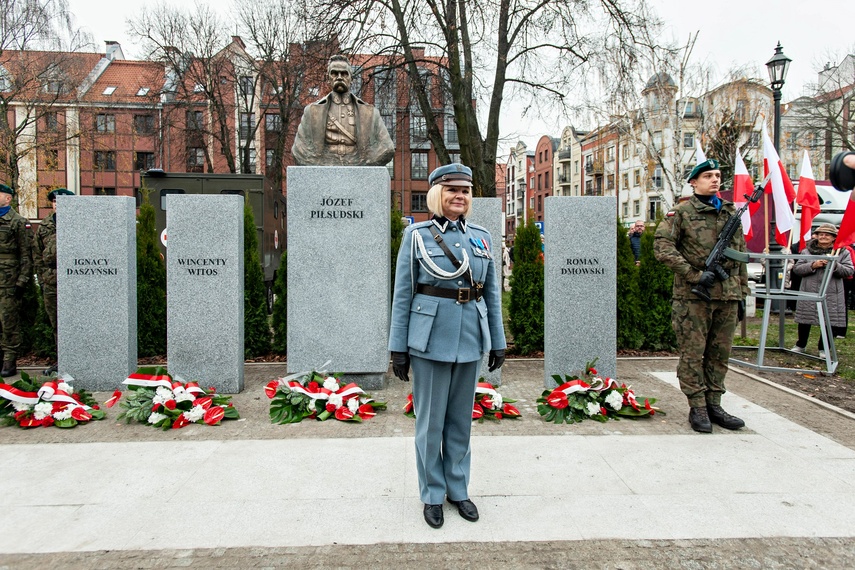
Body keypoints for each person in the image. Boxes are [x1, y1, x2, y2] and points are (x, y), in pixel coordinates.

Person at [389, 163, 506, 529]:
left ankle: (458, 489)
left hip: (470, 338)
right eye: (453, 190)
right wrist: (399, 347)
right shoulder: (418, 236)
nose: (460, 196)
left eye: (466, 191)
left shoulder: (482, 238)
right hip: (429, 340)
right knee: (429, 424)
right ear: (438, 193)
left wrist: (498, 342)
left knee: (460, 423)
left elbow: (491, 295)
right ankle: (431, 493)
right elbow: (403, 294)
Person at [654, 159, 748, 433]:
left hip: (727, 296)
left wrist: (742, 293)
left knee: (720, 354)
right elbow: (662, 248)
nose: (715, 180)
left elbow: (740, 258)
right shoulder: (681, 213)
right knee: (693, 354)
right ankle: (697, 407)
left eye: (718, 176)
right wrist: (695, 275)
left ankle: (714, 404)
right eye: (708, 176)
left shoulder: (731, 213)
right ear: (694, 182)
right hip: (693, 298)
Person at [291, 55, 395, 166]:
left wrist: (368, 160)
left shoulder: (370, 113)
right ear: (328, 78)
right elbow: (299, 150)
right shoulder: (312, 112)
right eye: (334, 73)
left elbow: (386, 147)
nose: (339, 77)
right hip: (323, 162)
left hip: (359, 163)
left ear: (352, 79)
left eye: (344, 73)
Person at [791, 223, 853, 357]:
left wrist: (835, 265)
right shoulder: (806, 251)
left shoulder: (842, 252)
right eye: (821, 234)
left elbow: (849, 270)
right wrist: (813, 265)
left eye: (827, 235)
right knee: (805, 319)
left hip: (832, 293)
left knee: (829, 321)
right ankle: (800, 344)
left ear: (833, 238)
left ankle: (824, 348)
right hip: (809, 290)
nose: (823, 237)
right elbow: (797, 269)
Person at [34, 188, 74, 375]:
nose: (58, 205)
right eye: (55, 202)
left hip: (76, 280)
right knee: (57, 323)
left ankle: (79, 359)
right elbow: (36, 253)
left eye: (62, 202)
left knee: (75, 320)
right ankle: (62, 361)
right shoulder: (45, 226)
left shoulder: (79, 222)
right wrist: (43, 277)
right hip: (52, 281)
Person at [0, 183, 32, 377]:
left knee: (8, 322)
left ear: (7, 198)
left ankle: (9, 361)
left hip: (9, 282)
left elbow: (26, 255)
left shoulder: (18, 222)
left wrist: (22, 281)